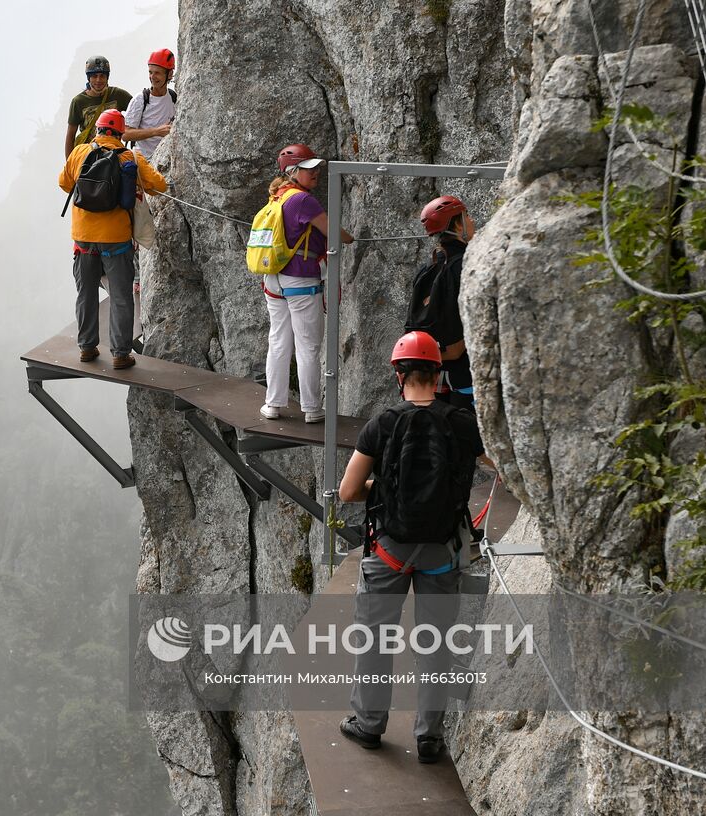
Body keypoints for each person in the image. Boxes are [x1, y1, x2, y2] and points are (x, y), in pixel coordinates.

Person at [336, 331, 485, 764]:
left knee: (375, 640)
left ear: (398, 374)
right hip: (442, 553)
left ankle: (368, 725)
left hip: (389, 552)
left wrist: (382, 488)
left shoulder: (382, 424)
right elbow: (499, 464)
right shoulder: (461, 422)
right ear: (438, 373)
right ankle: (429, 738)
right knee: (435, 644)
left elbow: (347, 492)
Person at [58, 109, 167, 369]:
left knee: (86, 294)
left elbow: (64, 183)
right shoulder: (130, 157)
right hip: (116, 242)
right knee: (121, 296)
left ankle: (86, 347)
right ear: (121, 133)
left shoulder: (79, 153)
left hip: (83, 241)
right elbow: (159, 185)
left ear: (98, 130)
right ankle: (120, 353)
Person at [258, 144, 353, 423]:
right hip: (300, 280)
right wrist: (350, 239)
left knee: (278, 341)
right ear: (292, 171)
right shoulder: (303, 201)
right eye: (308, 168)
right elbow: (333, 232)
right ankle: (311, 408)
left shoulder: (277, 196)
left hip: (274, 279)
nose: (316, 173)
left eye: (316, 168)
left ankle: (272, 405)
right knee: (308, 345)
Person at [405, 195, 477, 411]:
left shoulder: (430, 268)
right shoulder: (467, 264)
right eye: (466, 216)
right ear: (457, 224)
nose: (472, 220)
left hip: (432, 373)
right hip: (464, 375)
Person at [65, 56, 133, 158]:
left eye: (102, 76)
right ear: (89, 78)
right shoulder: (78, 102)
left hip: (114, 153)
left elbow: (138, 111)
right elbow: (70, 136)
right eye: (94, 76)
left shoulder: (118, 95)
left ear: (107, 77)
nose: (98, 80)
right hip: (88, 156)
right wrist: (70, 164)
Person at [122, 49, 177, 160]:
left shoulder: (173, 98)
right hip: (143, 161)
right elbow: (125, 134)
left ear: (170, 74)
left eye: (157, 73)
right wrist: (156, 132)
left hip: (166, 160)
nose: (152, 77)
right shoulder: (141, 99)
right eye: (150, 72)